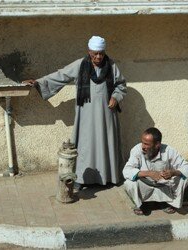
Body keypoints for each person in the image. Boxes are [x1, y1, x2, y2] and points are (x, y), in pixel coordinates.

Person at [24, 36, 127, 189]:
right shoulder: (80, 65)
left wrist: (116, 97)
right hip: (86, 114)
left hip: (107, 114)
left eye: (101, 53)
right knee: (85, 145)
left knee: (106, 143)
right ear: (89, 51)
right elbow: (61, 75)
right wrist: (38, 82)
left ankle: (108, 177)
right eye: (95, 53)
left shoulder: (111, 66)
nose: (98, 57)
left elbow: (121, 85)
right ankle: (81, 179)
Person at [122, 127, 188, 215]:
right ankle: (141, 204)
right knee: (130, 182)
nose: (143, 147)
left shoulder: (169, 151)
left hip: (163, 184)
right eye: (142, 143)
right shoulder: (137, 150)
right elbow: (127, 170)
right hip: (145, 183)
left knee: (184, 178)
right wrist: (149, 173)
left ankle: (167, 202)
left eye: (146, 144)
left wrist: (173, 172)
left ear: (157, 145)